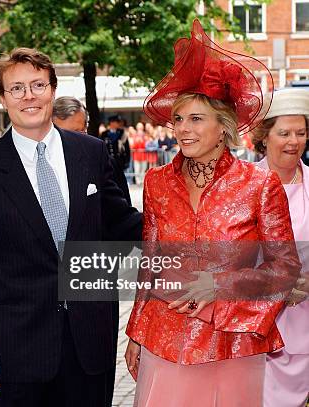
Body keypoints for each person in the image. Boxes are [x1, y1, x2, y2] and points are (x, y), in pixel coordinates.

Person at [0, 47, 142, 407]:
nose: (29, 96)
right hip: (15, 353)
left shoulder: (91, 152)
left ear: (53, 90)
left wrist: (189, 222)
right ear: (4, 98)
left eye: (37, 84)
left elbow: (123, 225)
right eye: (17, 88)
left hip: (90, 344)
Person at [125, 20, 300, 406]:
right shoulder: (156, 183)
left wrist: (219, 286)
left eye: (196, 119)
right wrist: (135, 331)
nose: (182, 129)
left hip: (232, 342)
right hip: (164, 336)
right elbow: (150, 262)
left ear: (223, 127)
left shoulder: (259, 185)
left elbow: (284, 269)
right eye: (178, 119)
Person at [252, 88, 309, 407]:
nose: (294, 141)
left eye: (301, 133)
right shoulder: (242, 186)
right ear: (264, 136)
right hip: (258, 331)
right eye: (284, 133)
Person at [52, 95, 132, 204]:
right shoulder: (40, 166)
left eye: (80, 132)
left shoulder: (104, 164)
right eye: (65, 134)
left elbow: (122, 214)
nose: (73, 139)